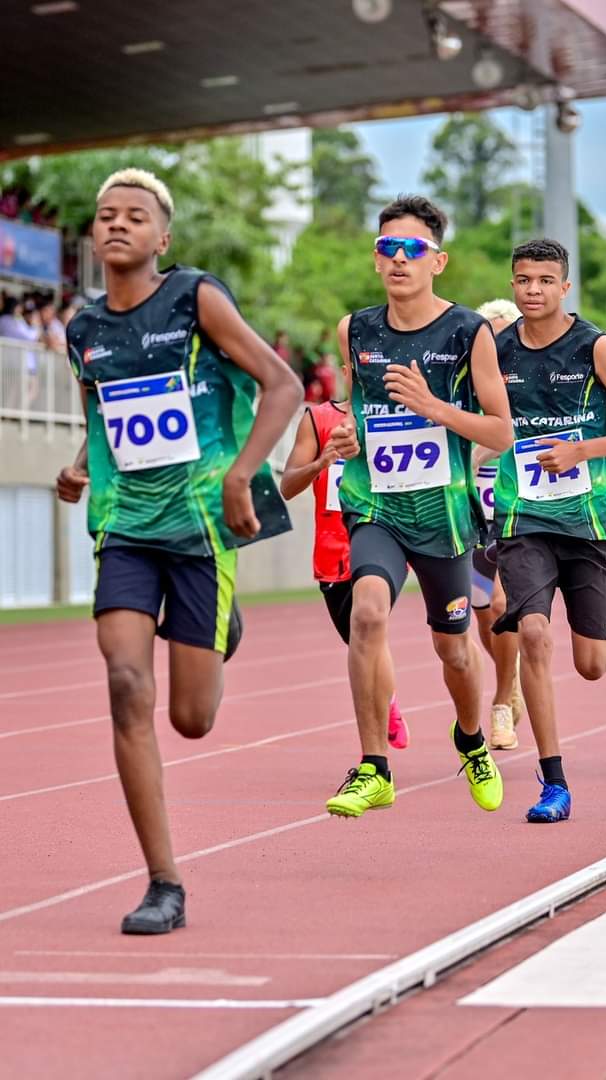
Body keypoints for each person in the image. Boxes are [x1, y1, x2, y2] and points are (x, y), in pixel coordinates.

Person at [56, 168, 302, 934]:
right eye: (105, 215)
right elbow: (105, 423)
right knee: (127, 682)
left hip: (199, 526)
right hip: (126, 523)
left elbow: (283, 385)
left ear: (162, 238)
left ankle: (220, 630)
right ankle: (164, 883)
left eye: (135, 216)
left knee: (192, 718)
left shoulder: (194, 298)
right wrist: (77, 464)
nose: (117, 224)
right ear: (94, 235)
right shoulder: (83, 331)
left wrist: (239, 473)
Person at [325, 195, 513, 821]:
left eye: (412, 250)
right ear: (375, 260)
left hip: (443, 516)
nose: (398, 260)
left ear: (438, 260)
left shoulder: (467, 332)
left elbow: (500, 433)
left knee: (454, 650)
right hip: (375, 504)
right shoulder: (357, 330)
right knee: (368, 614)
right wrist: (347, 434)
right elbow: (354, 409)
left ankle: (470, 739)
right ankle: (373, 766)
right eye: (387, 249)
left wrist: (434, 407)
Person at [493, 238, 606, 822]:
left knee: (591, 664)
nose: (532, 290)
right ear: (512, 286)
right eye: (522, 280)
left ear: (565, 286)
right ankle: (553, 782)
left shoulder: (597, 348)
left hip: (589, 520)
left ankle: (605, 612)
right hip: (522, 518)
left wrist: (581, 450)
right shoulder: (493, 350)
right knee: (534, 635)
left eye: (544, 280)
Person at [280, 391, 409, 749]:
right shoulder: (318, 419)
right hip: (334, 556)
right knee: (359, 641)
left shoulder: (399, 413)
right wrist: (319, 464)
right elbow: (287, 486)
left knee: (371, 624)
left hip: (386, 542)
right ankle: (389, 696)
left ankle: (380, 730)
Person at [471, 299, 525, 750]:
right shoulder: (465, 388)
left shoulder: (531, 386)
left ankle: (503, 701)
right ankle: (512, 677)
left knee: (502, 603)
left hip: (519, 515)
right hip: (472, 516)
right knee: (481, 610)